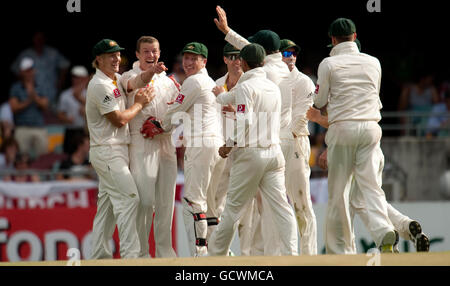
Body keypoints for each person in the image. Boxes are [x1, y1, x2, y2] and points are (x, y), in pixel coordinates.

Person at [214, 5, 296, 256]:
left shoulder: (250, 84)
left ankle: (214, 257)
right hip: (274, 153)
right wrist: (222, 97)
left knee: (232, 210)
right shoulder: (271, 80)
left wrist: (229, 144)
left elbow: (245, 119)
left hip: (251, 154)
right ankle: (293, 255)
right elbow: (236, 96)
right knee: (282, 208)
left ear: (244, 62)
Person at [313, 18, 396, 254]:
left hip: (343, 128)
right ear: (355, 36)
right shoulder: (374, 62)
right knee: (371, 186)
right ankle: (383, 231)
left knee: (339, 191)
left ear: (332, 39)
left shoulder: (328, 63)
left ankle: (340, 250)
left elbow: (319, 102)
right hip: (371, 127)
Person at [307, 106, 430, 252]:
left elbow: (346, 122)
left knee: (355, 202)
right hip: (373, 149)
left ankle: (384, 236)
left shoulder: (342, 91)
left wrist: (318, 120)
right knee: (370, 198)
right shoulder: (364, 88)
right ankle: (405, 226)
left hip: (359, 153)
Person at [144, 42, 224, 257]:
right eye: (186, 58)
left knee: (193, 201)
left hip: (201, 145)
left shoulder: (193, 82)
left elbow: (174, 111)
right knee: (211, 204)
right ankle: (217, 253)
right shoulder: (208, 81)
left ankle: (200, 255)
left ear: (204, 61)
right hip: (216, 144)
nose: (187, 63)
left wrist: (159, 125)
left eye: (193, 59)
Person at [86, 39, 155, 259]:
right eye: (110, 55)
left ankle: (98, 257)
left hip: (115, 150)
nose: (116, 59)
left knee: (107, 207)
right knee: (129, 198)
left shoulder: (114, 79)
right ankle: (131, 256)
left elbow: (132, 83)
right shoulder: (99, 85)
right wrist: (139, 104)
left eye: (117, 54)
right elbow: (118, 120)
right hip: (108, 151)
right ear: (98, 59)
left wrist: (151, 72)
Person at [120, 36, 179, 258]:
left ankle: (165, 251)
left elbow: (180, 113)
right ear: (137, 54)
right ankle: (142, 252)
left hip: (165, 141)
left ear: (159, 52)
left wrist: (163, 127)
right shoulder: (128, 77)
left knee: (165, 202)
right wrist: (152, 73)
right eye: (145, 51)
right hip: (141, 141)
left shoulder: (170, 82)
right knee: (144, 200)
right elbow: (138, 83)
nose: (150, 55)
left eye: (154, 51)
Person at [279, 39, 318, 255]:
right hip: (275, 144)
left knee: (301, 202)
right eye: (285, 52)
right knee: (275, 204)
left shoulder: (304, 82)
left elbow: (302, 117)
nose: (291, 56)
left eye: (293, 53)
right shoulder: (271, 79)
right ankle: (283, 254)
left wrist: (284, 136)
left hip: (295, 142)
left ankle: (309, 254)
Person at [10, 31, 70, 111]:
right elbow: (14, 69)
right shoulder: (25, 54)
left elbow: (65, 65)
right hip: (30, 92)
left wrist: (60, 82)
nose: (39, 40)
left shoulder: (53, 52)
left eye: (41, 38)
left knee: (52, 111)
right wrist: (24, 84)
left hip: (50, 90)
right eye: (37, 38)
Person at [9, 57, 49, 159]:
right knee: (21, 157)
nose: (29, 73)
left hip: (39, 127)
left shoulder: (40, 86)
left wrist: (34, 96)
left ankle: (40, 176)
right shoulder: (16, 88)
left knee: (43, 157)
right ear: (22, 72)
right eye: (27, 71)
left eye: (31, 70)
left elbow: (45, 105)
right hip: (22, 128)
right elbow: (13, 107)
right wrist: (28, 101)